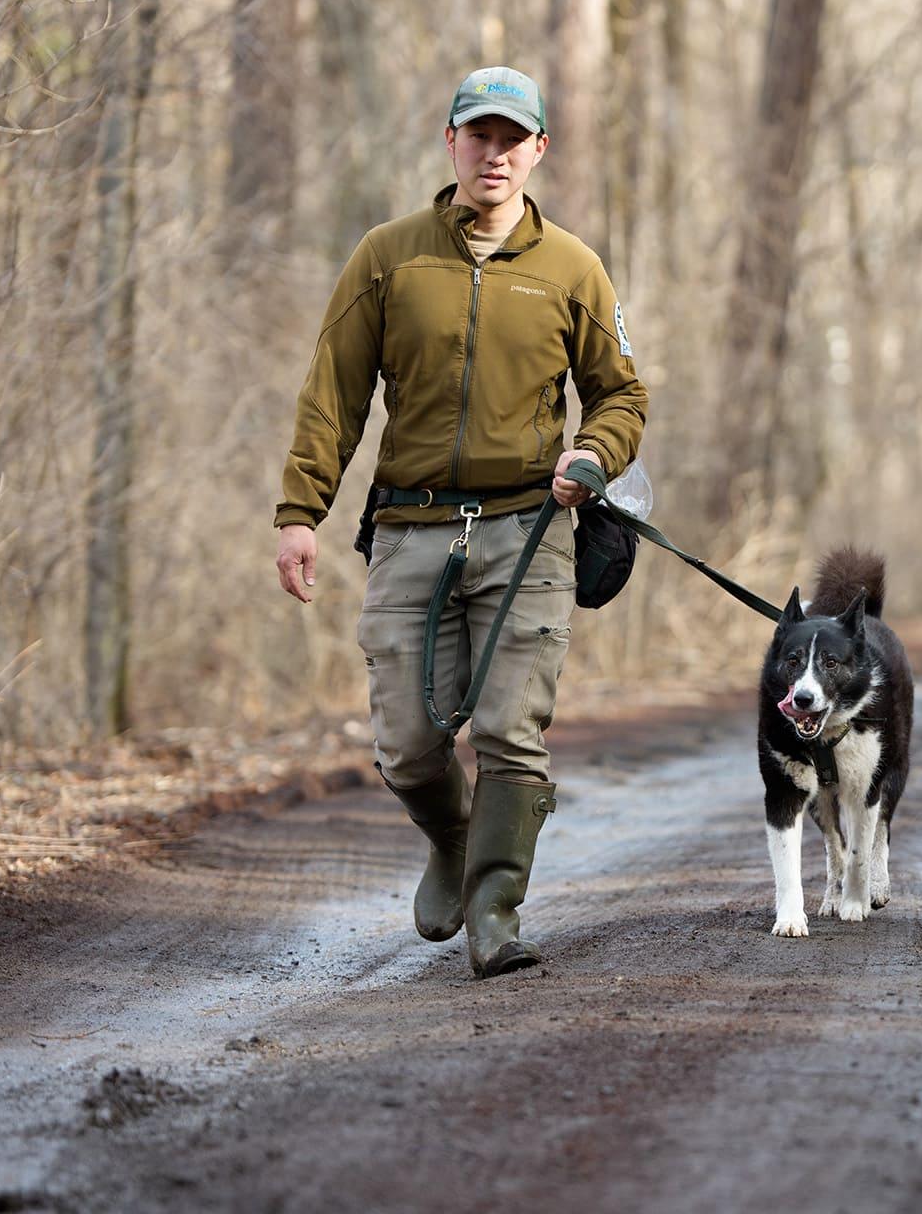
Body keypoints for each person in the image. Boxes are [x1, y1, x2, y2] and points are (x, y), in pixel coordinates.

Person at [273, 66, 647, 978]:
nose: (495, 154)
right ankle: (453, 839)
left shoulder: (573, 269)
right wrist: (300, 512)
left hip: (531, 530)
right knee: (407, 744)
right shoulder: (388, 257)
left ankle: (494, 914)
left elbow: (621, 395)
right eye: (479, 135)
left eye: (513, 139)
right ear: (451, 142)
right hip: (412, 530)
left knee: (512, 731)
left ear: (539, 150)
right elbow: (332, 396)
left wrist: (592, 454)